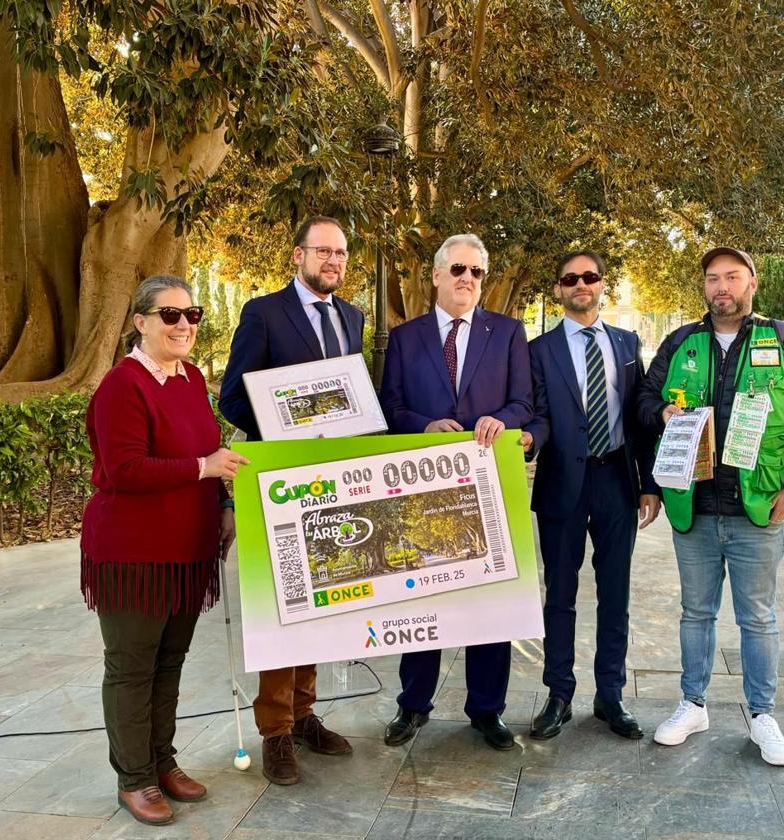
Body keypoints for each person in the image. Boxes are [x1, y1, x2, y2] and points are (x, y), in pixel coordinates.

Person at [638, 246, 784, 766]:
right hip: (694, 507)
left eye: (732, 277)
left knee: (758, 618)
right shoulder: (682, 342)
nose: (721, 287)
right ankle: (692, 704)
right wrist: (661, 413)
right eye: (712, 279)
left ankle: (763, 715)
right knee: (695, 613)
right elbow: (643, 403)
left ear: (752, 283)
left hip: (758, 509)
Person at [81, 275, 245, 825]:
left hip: (185, 552)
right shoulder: (121, 386)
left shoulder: (191, 379)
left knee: (169, 663)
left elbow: (206, 451)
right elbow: (124, 469)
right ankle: (135, 778)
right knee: (132, 668)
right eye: (169, 315)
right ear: (141, 321)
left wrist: (223, 505)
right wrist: (204, 467)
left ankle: (162, 761)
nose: (182, 325)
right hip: (133, 557)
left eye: (191, 315)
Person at [218, 215, 360, 786]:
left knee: (319, 600)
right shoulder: (263, 313)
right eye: (323, 251)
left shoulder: (352, 316)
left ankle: (303, 714)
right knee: (279, 606)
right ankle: (275, 730)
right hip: (278, 481)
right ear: (298, 255)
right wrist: (291, 423)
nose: (333, 261)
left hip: (332, 485)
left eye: (341, 253)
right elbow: (233, 398)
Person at [379, 233, 533, 751]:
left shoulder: (509, 332)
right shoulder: (405, 337)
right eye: (459, 269)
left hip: (488, 489)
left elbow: (524, 403)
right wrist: (422, 426)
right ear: (438, 276)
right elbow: (390, 409)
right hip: (422, 493)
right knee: (422, 600)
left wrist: (502, 418)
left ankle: (487, 710)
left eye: (477, 271)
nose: (468, 278)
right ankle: (412, 705)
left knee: (489, 602)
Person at [525, 250, 662, 741]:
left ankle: (611, 696)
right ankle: (559, 693)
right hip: (562, 483)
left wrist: (649, 484)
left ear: (603, 283)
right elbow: (535, 412)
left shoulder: (627, 343)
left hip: (616, 483)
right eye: (570, 278)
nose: (580, 284)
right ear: (558, 289)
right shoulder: (538, 350)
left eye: (589, 276)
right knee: (559, 596)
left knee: (615, 594)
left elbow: (639, 417)